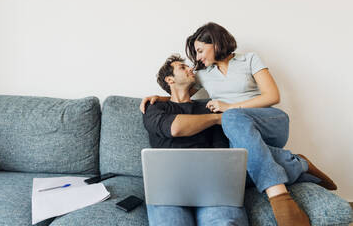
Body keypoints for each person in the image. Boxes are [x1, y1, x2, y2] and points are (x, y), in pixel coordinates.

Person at [141, 22, 337, 226]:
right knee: (235, 149)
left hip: (268, 119)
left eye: (200, 51)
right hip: (238, 134)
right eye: (194, 56)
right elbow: (180, 97)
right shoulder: (203, 74)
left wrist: (229, 107)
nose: (196, 59)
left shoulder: (249, 59)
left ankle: (279, 197)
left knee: (232, 118)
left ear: (215, 43)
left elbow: (272, 95)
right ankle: (293, 162)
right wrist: (159, 98)